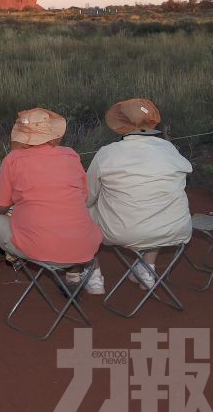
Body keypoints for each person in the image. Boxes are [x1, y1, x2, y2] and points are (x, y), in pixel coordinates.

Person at [0, 108, 102, 311]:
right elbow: (82, 197)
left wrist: (18, 203)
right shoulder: (70, 155)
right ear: (51, 134)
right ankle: (73, 280)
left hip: (38, 247)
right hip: (83, 247)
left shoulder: (13, 160)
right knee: (71, 214)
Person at [83, 98, 192, 293]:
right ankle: (146, 269)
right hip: (174, 229)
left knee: (79, 212)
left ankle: (93, 276)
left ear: (121, 123)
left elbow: (88, 196)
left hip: (124, 231)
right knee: (159, 201)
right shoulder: (169, 149)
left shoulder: (107, 153)